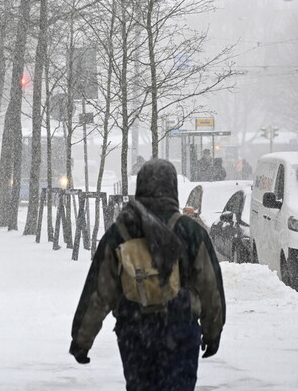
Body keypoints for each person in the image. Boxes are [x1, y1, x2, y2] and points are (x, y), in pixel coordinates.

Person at [70, 158, 225, 391]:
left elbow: (99, 291)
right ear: (173, 188)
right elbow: (210, 286)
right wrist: (213, 331)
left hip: (135, 331)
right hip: (180, 328)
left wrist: (82, 340)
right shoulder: (191, 232)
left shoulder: (121, 231)